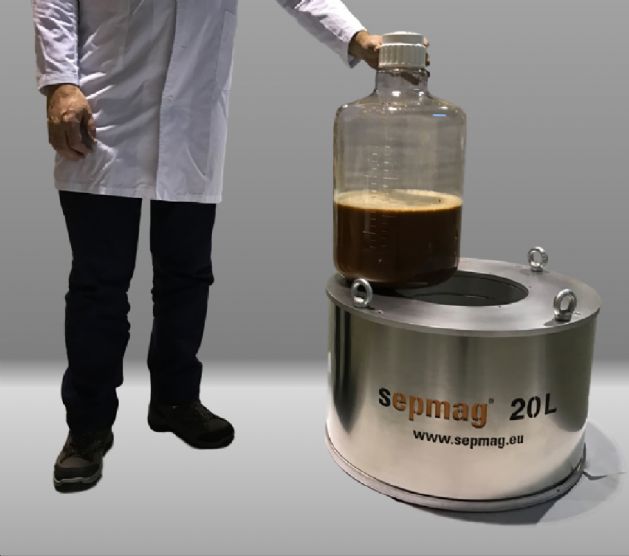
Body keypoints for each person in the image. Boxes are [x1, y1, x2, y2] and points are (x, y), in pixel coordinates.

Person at [32, 0, 382, 493]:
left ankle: (175, 400)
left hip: (192, 118)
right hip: (105, 107)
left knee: (187, 276)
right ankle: (87, 426)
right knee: (98, 284)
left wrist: (357, 37)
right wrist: (59, 83)